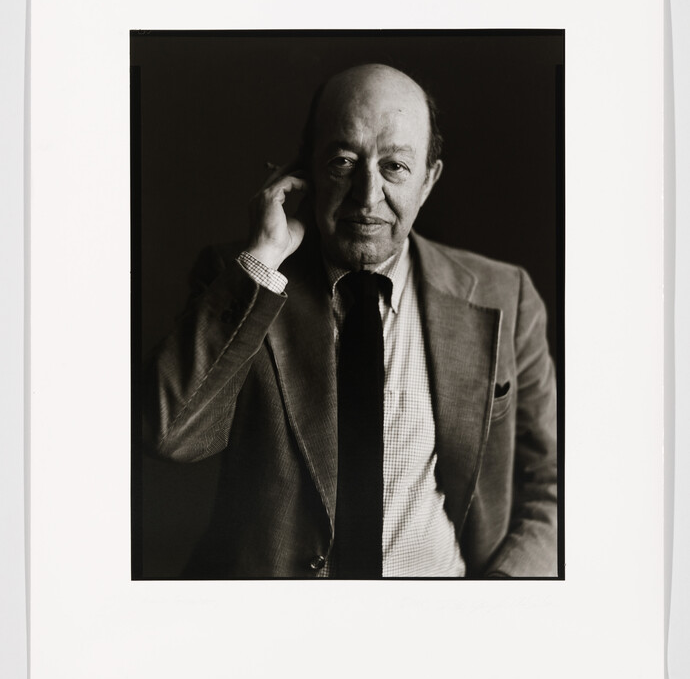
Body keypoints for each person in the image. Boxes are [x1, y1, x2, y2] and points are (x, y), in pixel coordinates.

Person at [144, 63, 558, 579]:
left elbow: (552, 484)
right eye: (342, 162)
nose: (367, 196)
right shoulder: (242, 279)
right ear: (306, 170)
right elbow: (171, 436)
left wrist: (499, 599)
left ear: (428, 180)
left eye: (395, 167)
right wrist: (265, 258)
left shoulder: (505, 295)